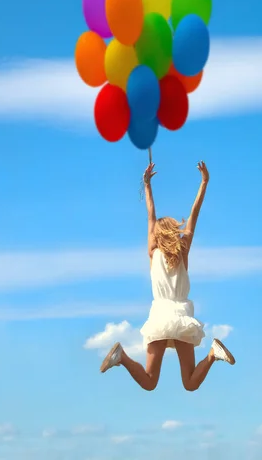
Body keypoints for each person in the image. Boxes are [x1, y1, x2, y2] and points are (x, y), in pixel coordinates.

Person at [99, 160, 235, 391]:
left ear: (157, 235)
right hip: (181, 315)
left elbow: (151, 214)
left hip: (160, 314)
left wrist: (147, 185)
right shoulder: (183, 251)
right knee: (190, 383)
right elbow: (194, 214)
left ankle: (121, 357)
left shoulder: (153, 252)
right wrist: (204, 183)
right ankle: (213, 354)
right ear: (174, 232)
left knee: (150, 382)